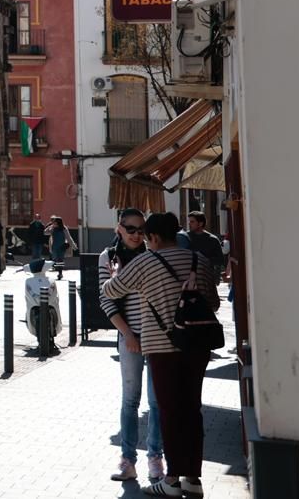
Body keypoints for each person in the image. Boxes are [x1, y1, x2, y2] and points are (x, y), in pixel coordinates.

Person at [102, 210, 221, 497]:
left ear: (153, 236)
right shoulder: (198, 260)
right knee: (192, 410)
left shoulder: (146, 261)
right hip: (196, 347)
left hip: (162, 348)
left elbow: (111, 289)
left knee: (169, 411)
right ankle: (193, 478)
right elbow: (214, 303)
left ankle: (171, 480)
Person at [101, 208, 164, 484]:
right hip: (128, 336)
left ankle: (155, 459)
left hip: (157, 336)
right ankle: (128, 460)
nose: (137, 235)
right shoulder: (109, 258)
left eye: (142, 230)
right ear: (119, 228)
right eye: (131, 229)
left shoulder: (153, 255)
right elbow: (106, 299)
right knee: (130, 399)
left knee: (157, 401)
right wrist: (127, 335)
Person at [177, 211, 224, 277]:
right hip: (186, 275)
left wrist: (205, 260)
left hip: (206, 276)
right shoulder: (184, 238)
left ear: (200, 223)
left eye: (192, 222)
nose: (189, 224)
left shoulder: (212, 239)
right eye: (189, 221)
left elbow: (220, 259)